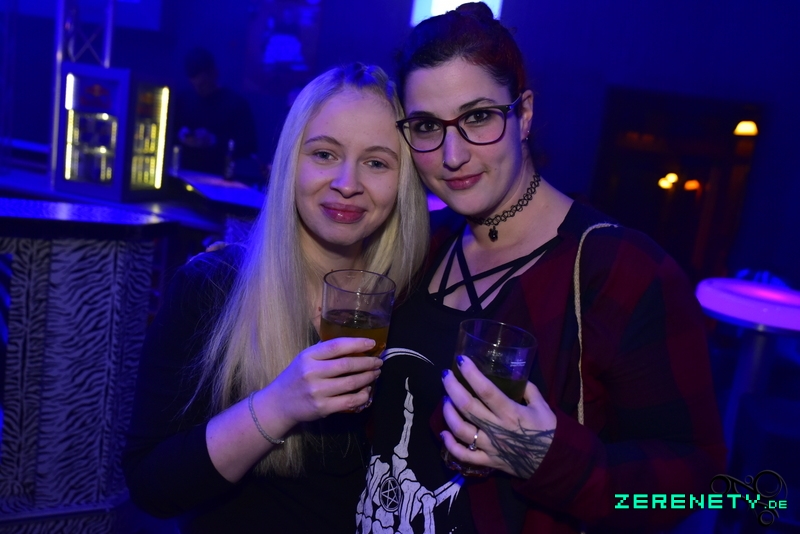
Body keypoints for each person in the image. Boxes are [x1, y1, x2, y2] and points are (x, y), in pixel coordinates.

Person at [357, 4, 726, 533]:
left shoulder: (621, 271)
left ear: (524, 115)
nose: (452, 154)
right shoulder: (423, 245)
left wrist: (549, 461)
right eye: (427, 126)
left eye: (478, 117)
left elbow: (697, 487)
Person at [123, 63, 429, 533]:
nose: (348, 183)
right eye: (324, 154)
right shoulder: (212, 288)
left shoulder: (409, 303)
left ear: (402, 181)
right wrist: (279, 405)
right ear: (290, 163)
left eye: (376, 163)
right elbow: (150, 486)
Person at [173, 47, 259, 181]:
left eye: (203, 84)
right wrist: (182, 135)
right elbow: (169, 131)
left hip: (220, 180)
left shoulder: (236, 104)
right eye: (195, 85)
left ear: (214, 74)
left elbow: (248, 146)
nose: (199, 89)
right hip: (183, 176)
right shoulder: (183, 100)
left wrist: (214, 140)